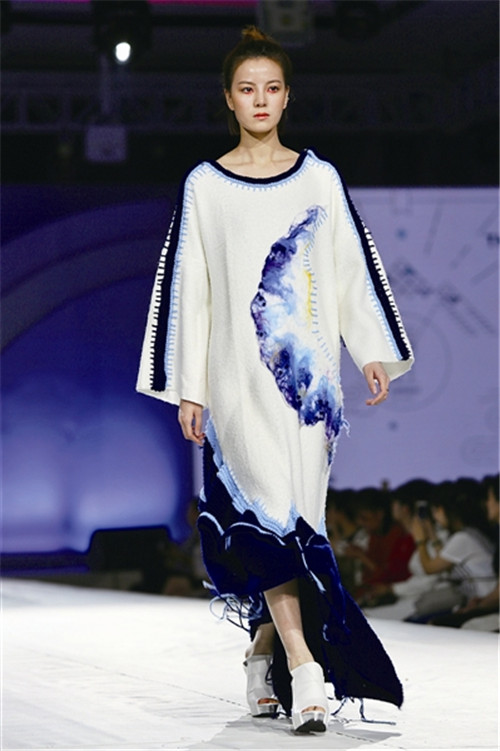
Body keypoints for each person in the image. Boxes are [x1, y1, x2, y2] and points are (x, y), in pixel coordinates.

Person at [137, 26, 413, 734]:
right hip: (235, 385)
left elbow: (349, 267)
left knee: (295, 523)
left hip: (309, 390)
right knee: (268, 520)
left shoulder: (318, 178)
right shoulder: (205, 186)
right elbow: (191, 289)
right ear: (228, 99)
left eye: (271, 87)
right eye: (246, 88)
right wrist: (190, 385)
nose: (259, 99)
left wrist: (369, 349)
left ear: (287, 97)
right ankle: (304, 666)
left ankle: (262, 652)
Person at [408, 478, 496, 623]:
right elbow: (446, 565)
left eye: (436, 510)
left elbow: (430, 568)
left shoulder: (463, 538)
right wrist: (432, 535)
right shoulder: (471, 532)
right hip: (480, 601)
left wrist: (420, 541)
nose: (435, 517)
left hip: (485, 604)